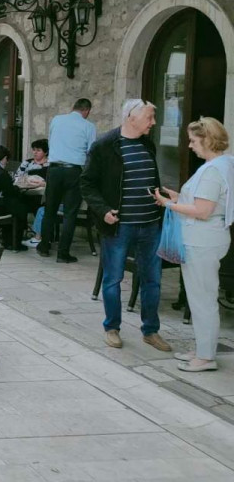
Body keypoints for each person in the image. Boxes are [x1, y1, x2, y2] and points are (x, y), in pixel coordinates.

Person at [80, 99, 170, 352]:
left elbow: (147, 181)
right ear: (132, 117)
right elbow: (87, 183)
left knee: (153, 280)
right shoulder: (104, 146)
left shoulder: (146, 144)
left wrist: (162, 195)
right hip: (120, 226)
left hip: (151, 224)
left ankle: (151, 331)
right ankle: (112, 327)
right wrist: (103, 210)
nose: (153, 123)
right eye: (150, 117)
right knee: (113, 279)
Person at [152, 118, 234, 372]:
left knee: (203, 299)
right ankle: (202, 349)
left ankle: (206, 356)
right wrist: (179, 197)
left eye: (193, 141)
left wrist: (169, 204)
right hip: (207, 238)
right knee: (200, 297)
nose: (189, 146)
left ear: (207, 140)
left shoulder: (212, 170)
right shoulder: (223, 164)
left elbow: (203, 210)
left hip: (202, 240)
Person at [39, 98, 97, 263]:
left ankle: (44, 246)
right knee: (70, 213)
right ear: (86, 110)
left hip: (55, 169)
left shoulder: (57, 120)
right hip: (74, 171)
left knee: (49, 209)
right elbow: (91, 152)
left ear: (74, 107)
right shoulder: (88, 126)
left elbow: (52, 141)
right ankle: (63, 253)